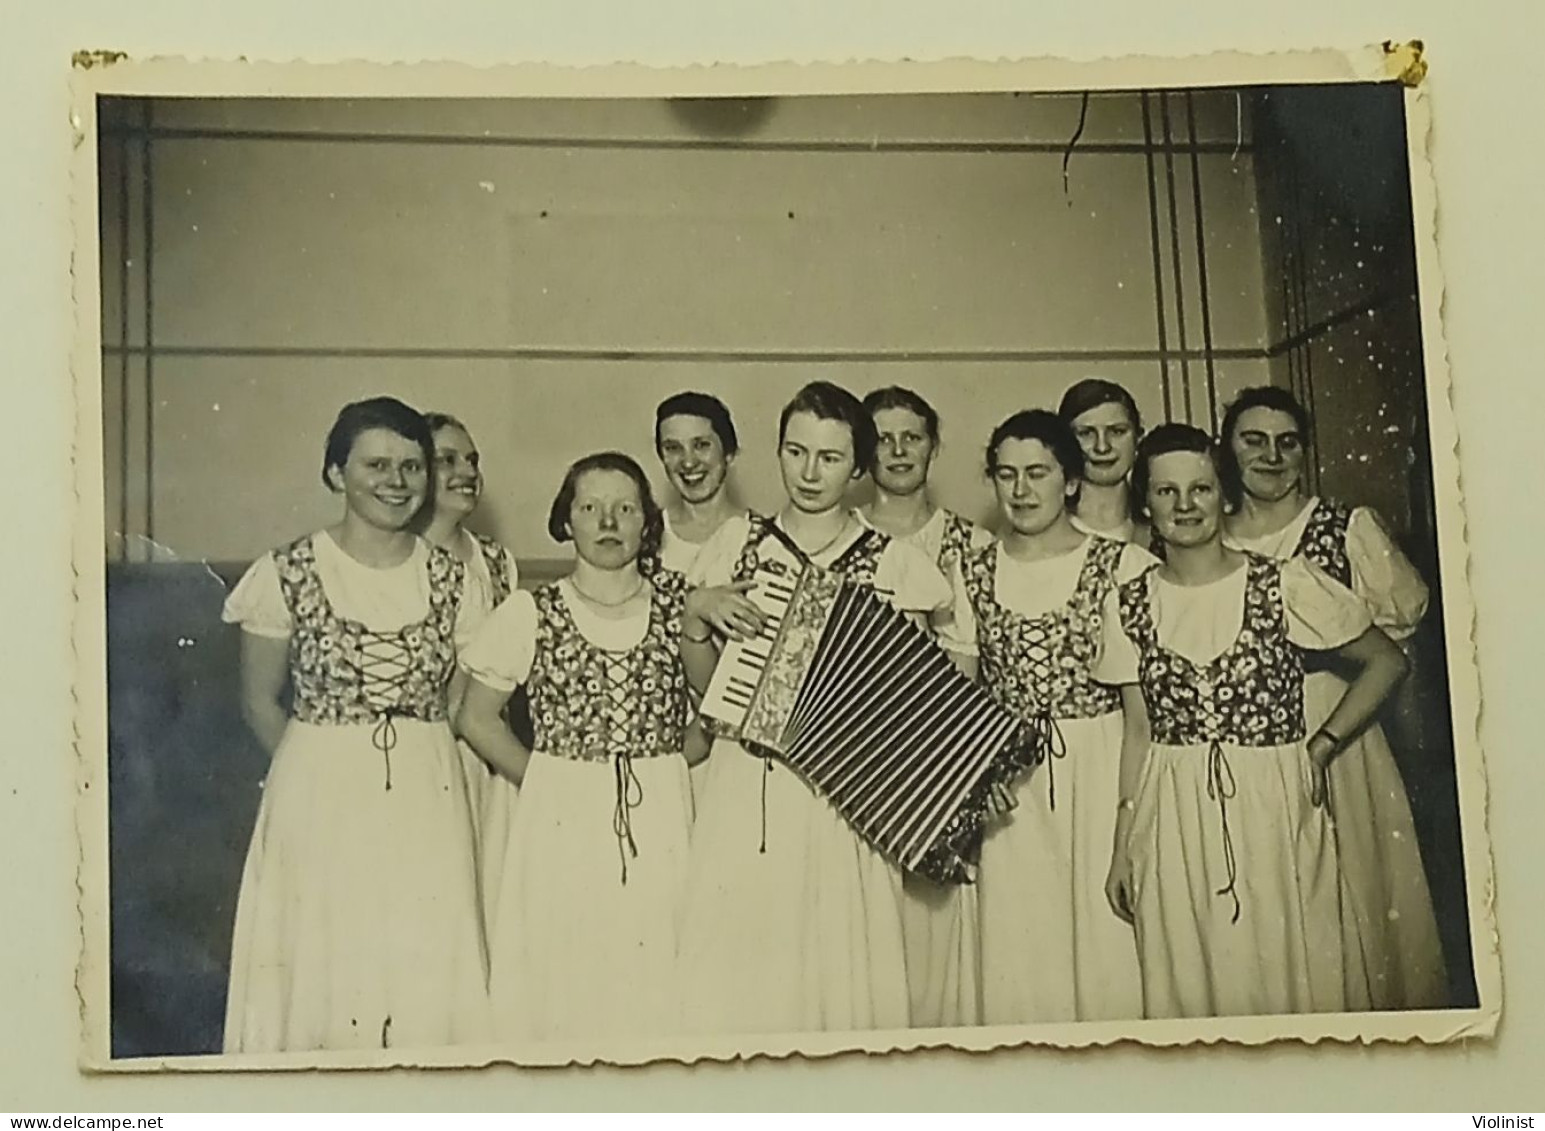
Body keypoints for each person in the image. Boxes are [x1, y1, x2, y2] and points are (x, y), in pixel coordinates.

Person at [1097, 424, 1409, 1019]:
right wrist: (1122, 850)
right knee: (1191, 975)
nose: (1185, 506)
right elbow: (1138, 733)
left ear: (1224, 494)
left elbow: (1386, 661)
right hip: (1172, 809)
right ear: (1144, 503)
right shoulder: (1127, 602)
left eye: (1201, 489)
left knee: (1290, 969)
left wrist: (1322, 745)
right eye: (1166, 492)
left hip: (1274, 801)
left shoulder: (1282, 581)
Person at [675, 380, 957, 1035]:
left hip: (844, 792)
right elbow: (706, 691)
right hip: (744, 783)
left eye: (828, 458)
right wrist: (695, 617)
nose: (808, 472)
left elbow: (913, 705)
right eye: (795, 451)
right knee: (736, 967)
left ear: (857, 467)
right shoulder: (734, 544)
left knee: (840, 965)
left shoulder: (897, 563)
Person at [221, 396, 488, 1053]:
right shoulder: (285, 571)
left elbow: (459, 702)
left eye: (411, 466)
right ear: (336, 473)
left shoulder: (459, 581)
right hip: (318, 788)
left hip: (428, 788)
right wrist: (322, 775)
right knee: (322, 956)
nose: (396, 482)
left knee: (422, 956)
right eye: (375, 464)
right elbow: (258, 701)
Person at [1220, 385, 1447, 1010]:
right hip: (1241, 741)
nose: (1271, 456)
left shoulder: (1347, 528)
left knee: (1355, 895)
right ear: (1227, 448)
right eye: (1253, 440)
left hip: (1338, 729)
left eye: (1287, 442)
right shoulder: (1206, 533)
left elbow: (1399, 651)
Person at [457, 452, 695, 1044]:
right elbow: (475, 717)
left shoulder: (681, 606)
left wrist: (666, 765)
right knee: (567, 963)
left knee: (659, 961)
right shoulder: (530, 612)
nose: (608, 521)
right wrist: (543, 779)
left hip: (661, 809)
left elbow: (718, 705)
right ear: (567, 519)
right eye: (590, 507)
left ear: (647, 522)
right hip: (561, 810)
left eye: (624, 508)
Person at [945, 410, 1153, 1024]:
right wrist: (977, 780)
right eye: (1005, 474)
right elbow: (961, 698)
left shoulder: (1123, 566)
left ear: (1070, 480)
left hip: (1100, 772)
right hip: (1011, 785)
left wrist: (1129, 828)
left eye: (1037, 473)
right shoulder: (974, 569)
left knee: (1104, 948)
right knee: (1019, 956)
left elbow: (1145, 720)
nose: (1021, 490)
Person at [857, 385, 992, 1028]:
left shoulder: (971, 543)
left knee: (936, 928)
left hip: (942, 758)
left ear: (934, 447)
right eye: (882, 437)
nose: (898, 450)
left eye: (912, 436)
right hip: (853, 760)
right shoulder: (840, 539)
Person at [417, 412, 522, 932]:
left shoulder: (498, 562)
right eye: (447, 461)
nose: (466, 472)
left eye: (473, 460)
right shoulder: (403, 561)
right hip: (427, 760)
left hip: (486, 760)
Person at [654, 391, 753, 575]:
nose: (688, 462)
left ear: (728, 453)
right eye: (673, 448)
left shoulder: (763, 538)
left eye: (701, 445)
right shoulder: (646, 537)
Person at [1057, 378, 1150, 547]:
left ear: (1138, 437)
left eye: (1117, 431)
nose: (1102, 447)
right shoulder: (1045, 531)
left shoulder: (1159, 532)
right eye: (1086, 433)